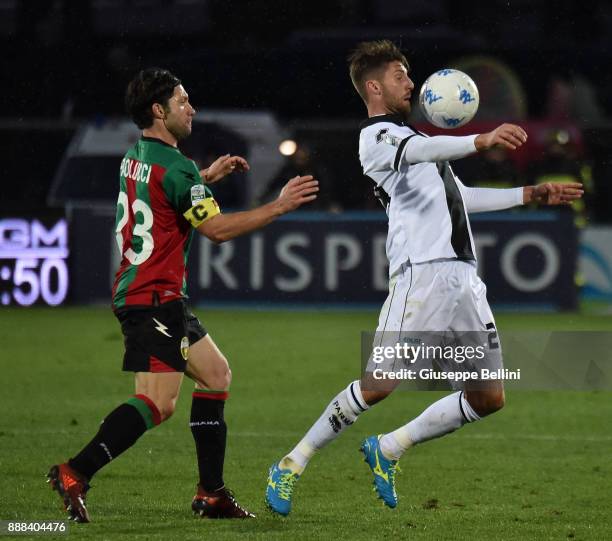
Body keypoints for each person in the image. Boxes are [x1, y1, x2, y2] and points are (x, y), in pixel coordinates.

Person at [265, 40, 583, 516]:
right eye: (399, 75)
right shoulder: (377, 139)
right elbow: (424, 148)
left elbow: (462, 198)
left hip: (463, 281)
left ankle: (389, 448)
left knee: (488, 396)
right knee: (378, 385)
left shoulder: (417, 142)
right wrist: (480, 139)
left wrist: (531, 193)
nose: (410, 82)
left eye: (409, 74)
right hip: (422, 276)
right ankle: (292, 462)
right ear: (374, 86)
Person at [48, 67, 318, 522]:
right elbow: (215, 230)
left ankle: (211, 494)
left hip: (155, 295)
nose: (191, 108)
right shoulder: (177, 167)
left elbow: (163, 197)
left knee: (216, 376)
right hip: (152, 297)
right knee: (157, 401)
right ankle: (75, 471)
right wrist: (279, 206)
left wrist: (204, 177)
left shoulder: (137, 155)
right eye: (182, 101)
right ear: (159, 110)